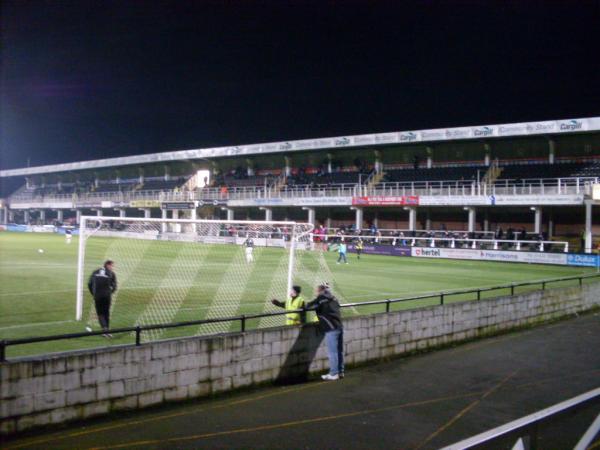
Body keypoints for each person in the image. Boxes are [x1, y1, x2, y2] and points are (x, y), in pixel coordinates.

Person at [306, 284, 344, 380]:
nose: (315, 293)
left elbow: (309, 306)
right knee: (340, 351)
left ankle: (334, 373)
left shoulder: (320, 298)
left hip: (331, 328)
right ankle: (340, 372)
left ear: (320, 291)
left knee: (332, 352)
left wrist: (305, 305)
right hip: (339, 326)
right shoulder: (333, 297)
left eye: (316, 291)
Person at [87, 260, 117, 338]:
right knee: (106, 312)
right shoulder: (111, 274)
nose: (113, 268)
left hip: (97, 296)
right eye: (112, 266)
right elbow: (114, 286)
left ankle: (105, 330)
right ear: (108, 265)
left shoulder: (95, 272)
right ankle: (107, 331)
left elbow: (89, 284)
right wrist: (110, 293)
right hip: (107, 296)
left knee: (100, 313)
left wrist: (93, 293)